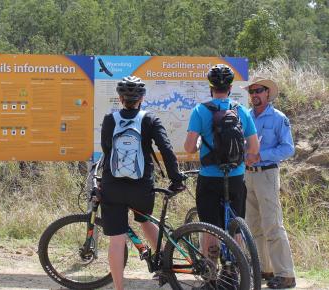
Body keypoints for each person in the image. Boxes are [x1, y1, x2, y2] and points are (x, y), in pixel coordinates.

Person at [99, 76, 184, 290]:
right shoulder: (150, 119)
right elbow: (166, 149)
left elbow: (107, 151)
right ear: (142, 98)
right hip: (141, 186)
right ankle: (165, 264)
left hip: (113, 185)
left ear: (120, 98)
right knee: (145, 221)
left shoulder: (110, 119)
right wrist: (175, 179)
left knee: (117, 241)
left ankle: (119, 288)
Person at [184, 64, 259, 289]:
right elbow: (254, 149)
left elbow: (188, 148)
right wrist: (239, 160)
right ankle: (234, 271)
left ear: (211, 87)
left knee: (210, 227)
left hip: (209, 177)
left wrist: (199, 143)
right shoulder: (241, 110)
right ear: (229, 87)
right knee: (234, 226)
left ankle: (211, 275)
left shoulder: (200, 110)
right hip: (235, 177)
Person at [242, 77, 296, 289]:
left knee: (273, 225)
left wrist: (260, 155)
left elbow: (288, 148)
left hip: (266, 175)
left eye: (259, 90)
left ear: (267, 93)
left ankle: (286, 274)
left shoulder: (278, 118)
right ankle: (266, 270)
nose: (255, 94)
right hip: (247, 175)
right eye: (252, 91)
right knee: (255, 225)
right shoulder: (246, 116)